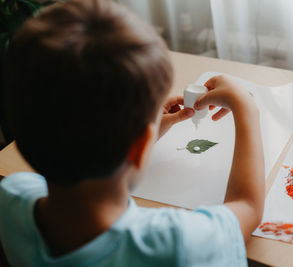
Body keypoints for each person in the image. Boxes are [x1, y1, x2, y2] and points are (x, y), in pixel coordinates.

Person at [0, 0, 265, 266]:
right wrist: (246, 106)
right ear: (139, 149)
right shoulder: (178, 244)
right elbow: (247, 207)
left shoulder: (11, 197)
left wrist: (138, 132)